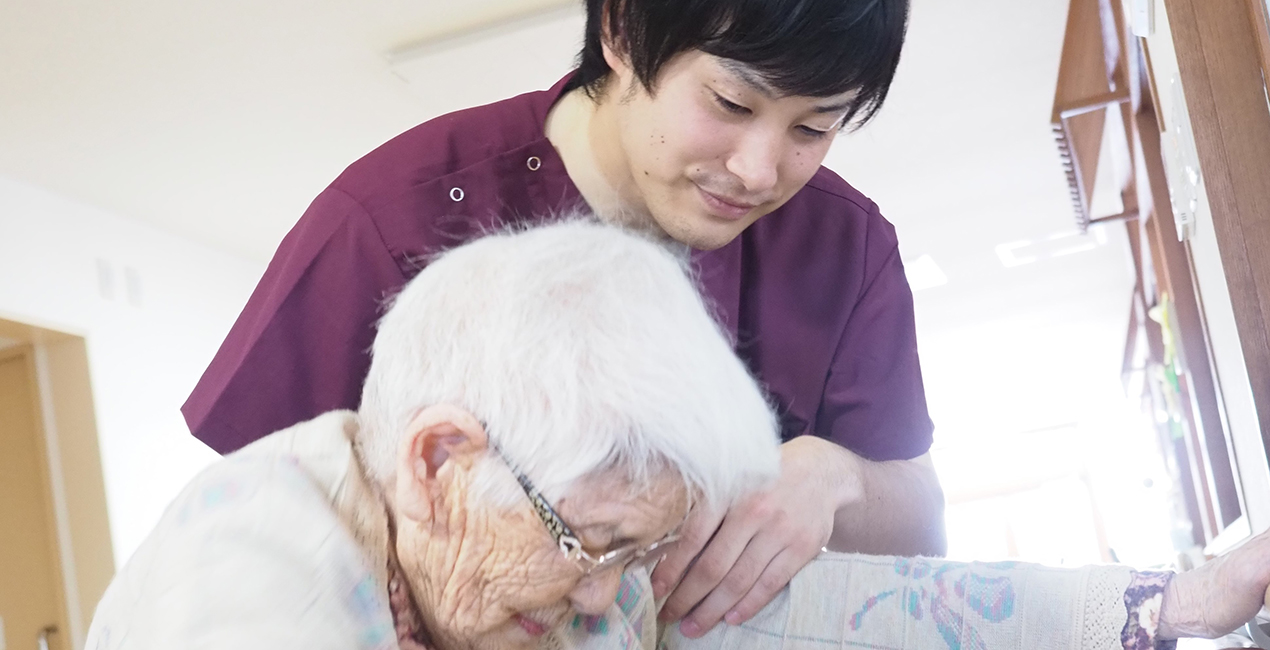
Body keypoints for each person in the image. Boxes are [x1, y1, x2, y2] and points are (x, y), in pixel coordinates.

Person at [98, 222, 1270, 650]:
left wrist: (1174, 603)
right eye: (596, 541)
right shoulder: (243, 596)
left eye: (641, 551)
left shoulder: (552, 550)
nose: (617, 593)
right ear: (438, 460)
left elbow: (821, 612)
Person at [184, 0, 942, 636]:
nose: (758, 171)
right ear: (618, 28)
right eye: (731, 105)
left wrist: (839, 480)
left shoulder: (844, 247)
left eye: (812, 129)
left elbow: (922, 535)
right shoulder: (387, 224)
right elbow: (257, 529)